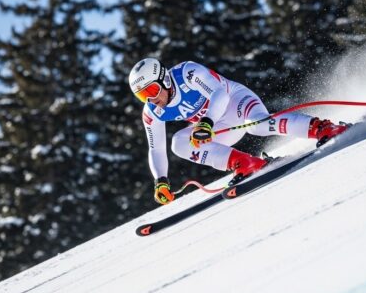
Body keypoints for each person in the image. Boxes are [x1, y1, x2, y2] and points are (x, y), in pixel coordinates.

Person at [128, 58, 350, 205]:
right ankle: (244, 163)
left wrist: (206, 122)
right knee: (179, 143)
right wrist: (161, 181)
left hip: (235, 101)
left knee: (257, 124)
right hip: (215, 126)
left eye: (152, 90)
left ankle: (322, 128)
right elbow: (156, 148)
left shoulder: (187, 73)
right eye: (142, 96)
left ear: (165, 79)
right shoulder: (152, 111)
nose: (151, 99)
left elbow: (220, 94)